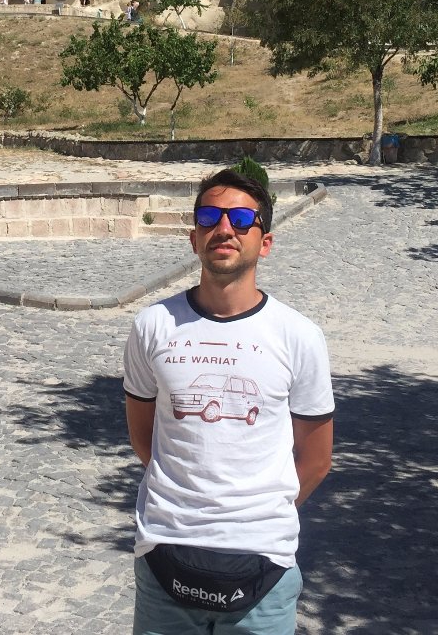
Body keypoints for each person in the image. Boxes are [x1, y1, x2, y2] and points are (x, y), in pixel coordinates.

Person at [123, 167, 334, 634]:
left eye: (240, 219)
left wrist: (261, 512)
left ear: (266, 241)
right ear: (193, 238)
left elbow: (317, 459)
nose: (224, 228)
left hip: (263, 562)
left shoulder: (299, 336)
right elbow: (144, 437)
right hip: (165, 552)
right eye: (209, 217)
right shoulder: (152, 326)